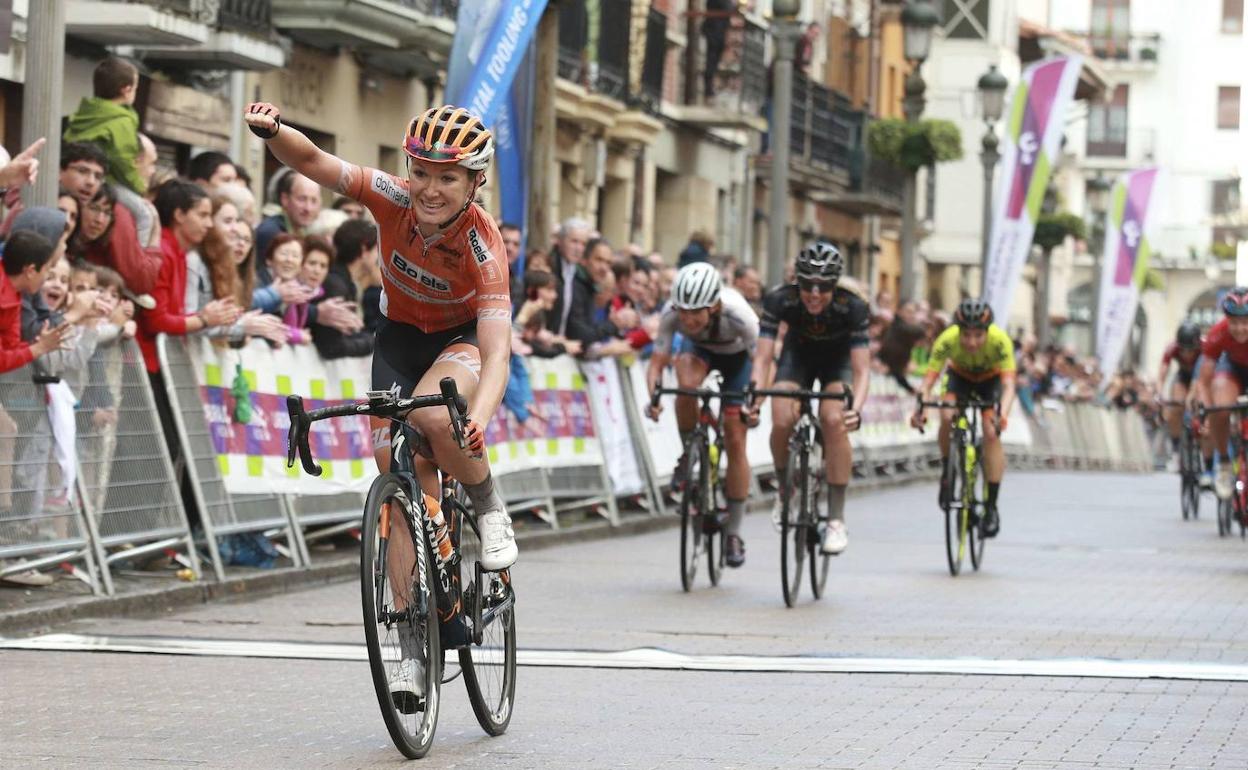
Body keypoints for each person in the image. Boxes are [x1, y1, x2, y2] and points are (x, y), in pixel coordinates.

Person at [750, 242, 869, 555]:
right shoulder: (780, 299)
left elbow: (862, 369)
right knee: (781, 416)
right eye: (807, 287)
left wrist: (856, 409)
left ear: (835, 285)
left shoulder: (852, 306)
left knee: (833, 419)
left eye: (823, 288)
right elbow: (762, 358)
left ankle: (837, 519)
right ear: (796, 282)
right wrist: (755, 396)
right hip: (797, 357)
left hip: (837, 363)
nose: (814, 295)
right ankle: (784, 489)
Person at [645, 262, 758, 568]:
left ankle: (733, 531)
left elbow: (761, 361)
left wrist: (754, 402)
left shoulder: (739, 314)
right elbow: (656, 363)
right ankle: (689, 451)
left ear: (715, 305)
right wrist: (654, 398)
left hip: (738, 362)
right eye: (683, 311)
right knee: (686, 386)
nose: (688, 318)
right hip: (699, 353)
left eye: (696, 312)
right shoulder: (672, 314)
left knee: (736, 438)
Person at [909, 298, 1017, 538]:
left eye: (978, 336)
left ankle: (991, 507)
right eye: (966, 335)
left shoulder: (1000, 342)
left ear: (987, 332)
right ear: (958, 331)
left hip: (991, 381)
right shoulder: (947, 339)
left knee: (990, 432)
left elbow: (1009, 387)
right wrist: (921, 409)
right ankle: (948, 471)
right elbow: (927, 383)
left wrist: (1003, 416)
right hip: (960, 378)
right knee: (947, 414)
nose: (971, 342)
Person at [62, 58, 158, 243]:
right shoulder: (122, 120)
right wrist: (139, 187)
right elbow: (123, 160)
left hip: (78, 178)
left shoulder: (84, 113)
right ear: (126, 90)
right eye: (135, 88)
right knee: (145, 214)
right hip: (108, 181)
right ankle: (141, 258)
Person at [1195, 288, 1248, 501]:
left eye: (1245, 322)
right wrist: (1209, 411)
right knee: (1220, 405)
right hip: (1232, 369)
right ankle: (1224, 463)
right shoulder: (1218, 333)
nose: (1239, 328)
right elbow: (1204, 380)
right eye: (1234, 322)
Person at [1158, 322, 1209, 481]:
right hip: (1182, 376)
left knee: (1199, 404)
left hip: (1201, 377)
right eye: (1183, 350)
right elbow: (1162, 374)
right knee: (1176, 405)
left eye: (1190, 350)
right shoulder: (1172, 348)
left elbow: (1199, 379)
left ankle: (1201, 445)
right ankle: (1175, 450)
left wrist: (1193, 396)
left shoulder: (1205, 346)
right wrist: (1161, 395)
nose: (1186, 354)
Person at [254, 171, 323, 272]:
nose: (308, 208)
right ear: (285, 199)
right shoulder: (270, 232)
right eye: (302, 199)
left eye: (314, 201)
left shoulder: (305, 233)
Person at [546, 217, 591, 336]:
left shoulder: (580, 276)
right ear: (560, 241)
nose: (578, 248)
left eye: (583, 244)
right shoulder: (548, 267)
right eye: (574, 241)